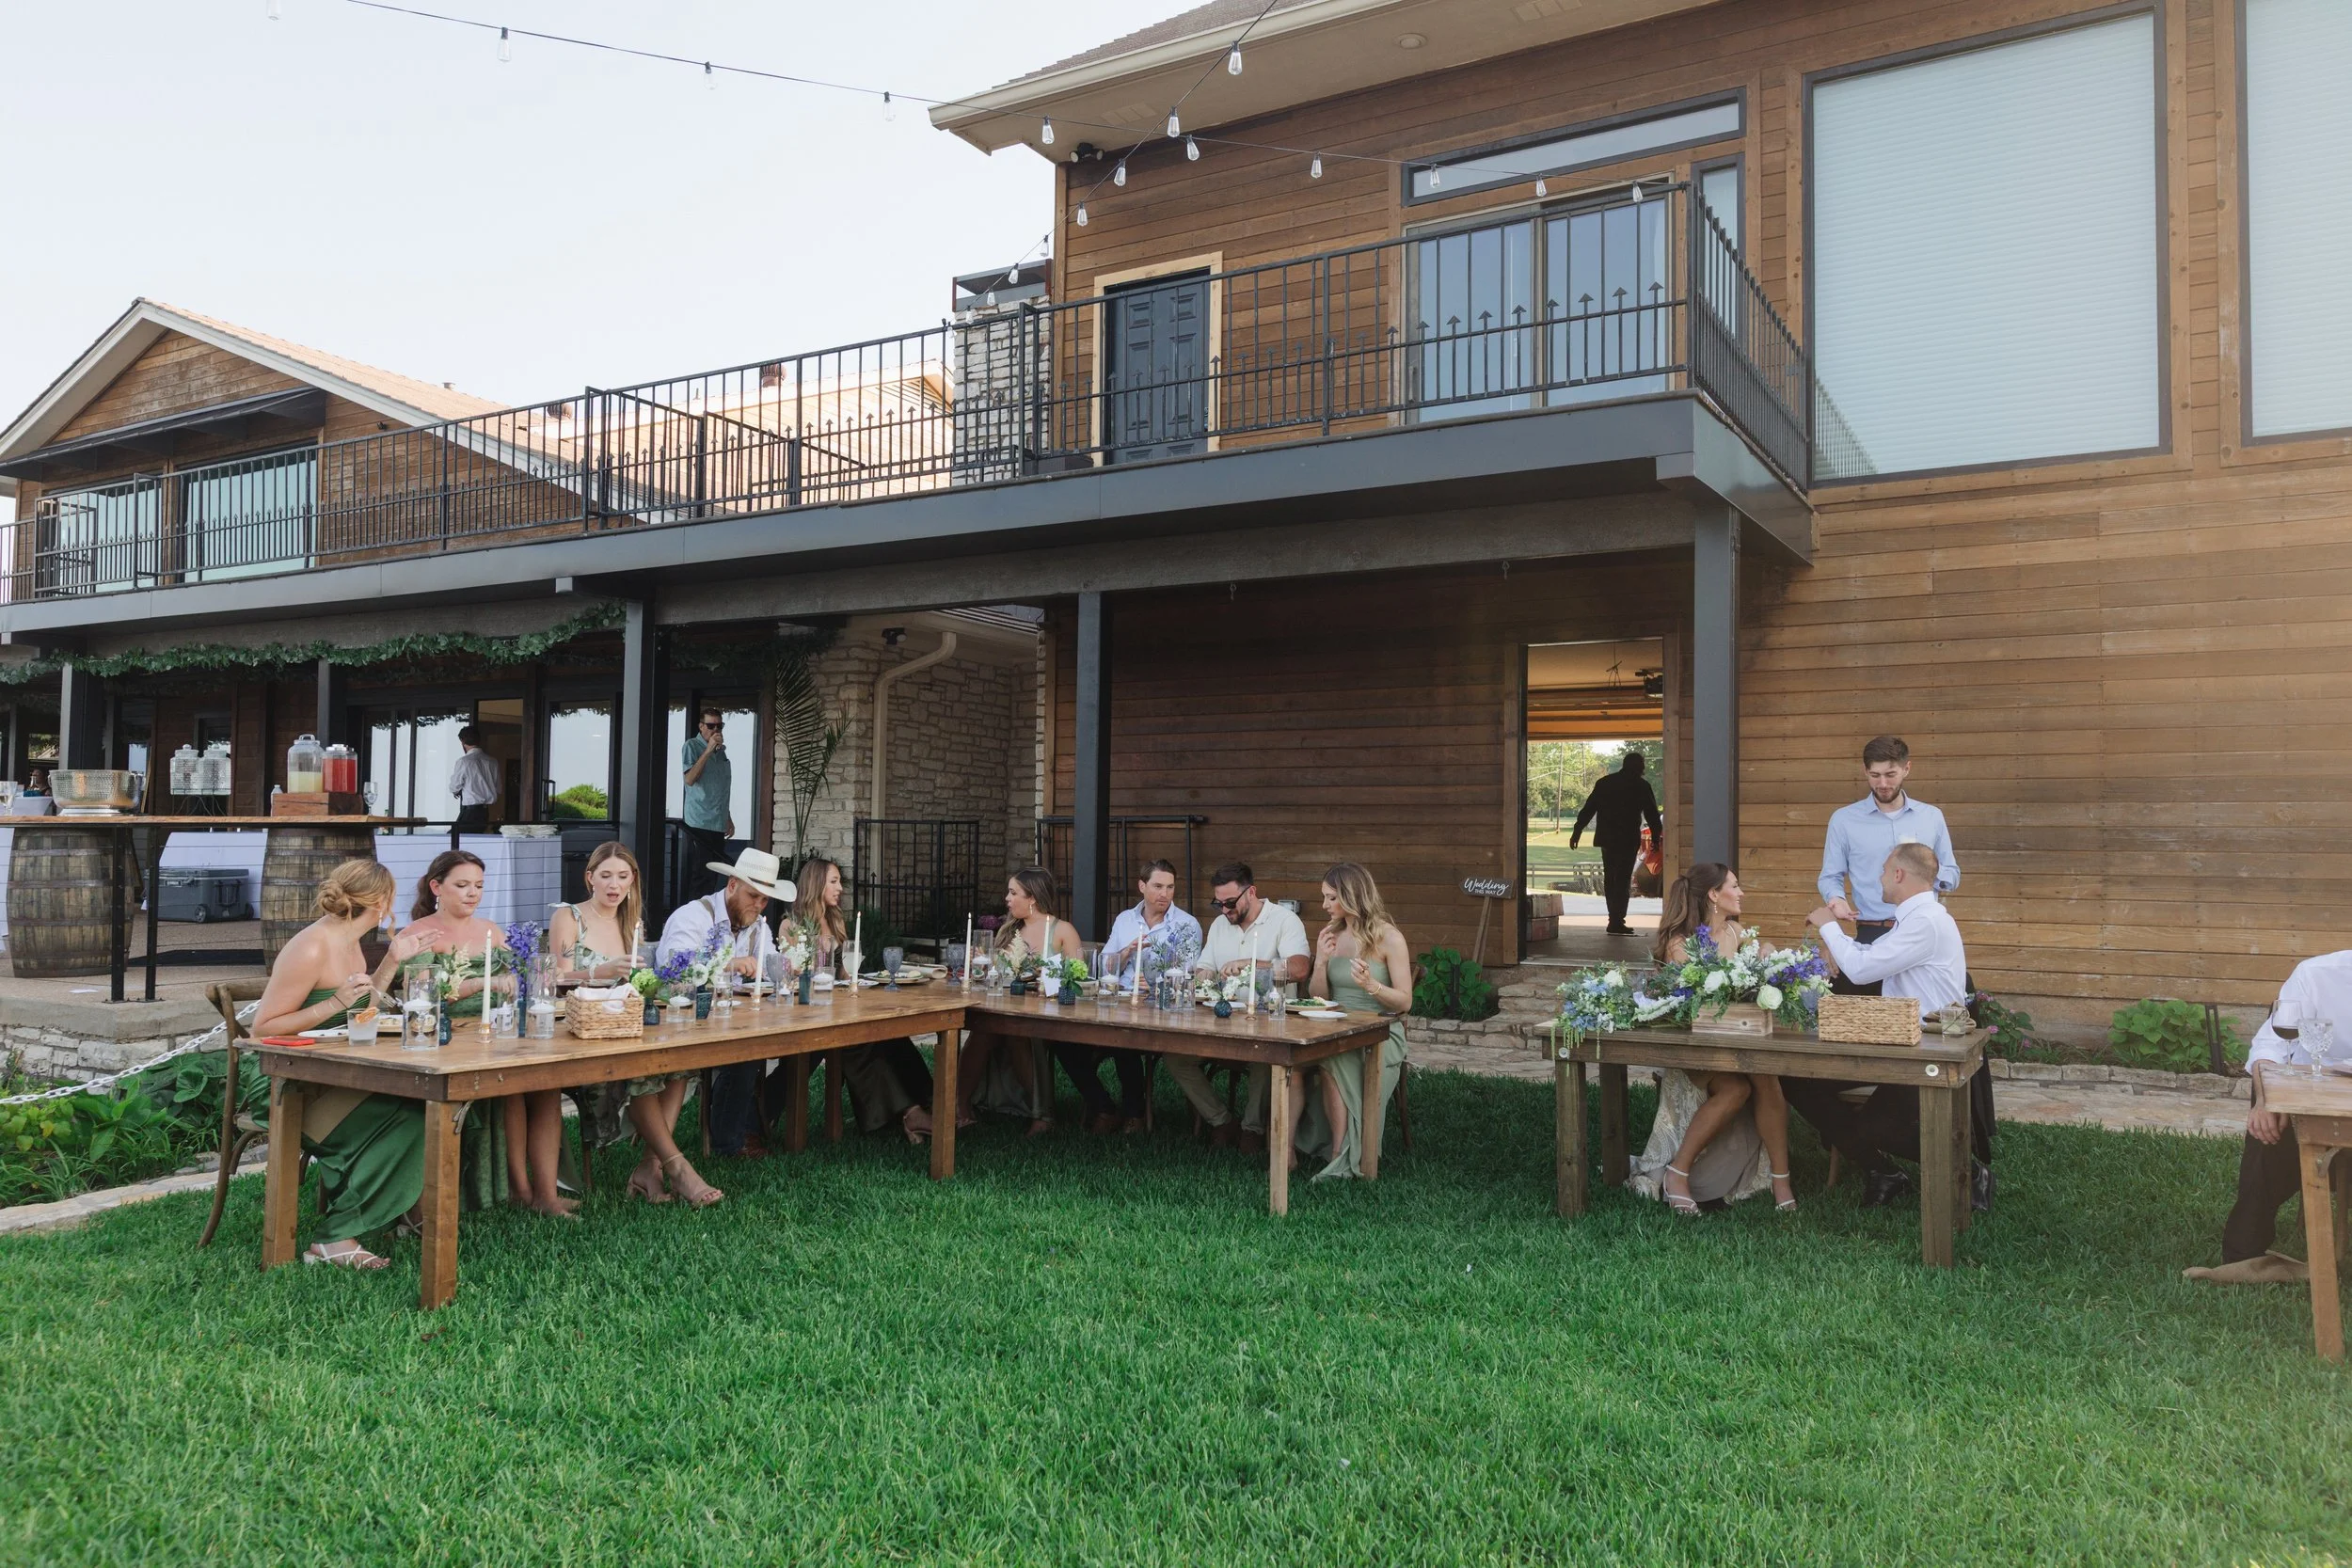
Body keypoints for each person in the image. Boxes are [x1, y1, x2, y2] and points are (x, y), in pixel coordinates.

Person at [251, 858, 430, 1269]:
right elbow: (263, 1028)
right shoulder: (312, 945)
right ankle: (334, 1238)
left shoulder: (351, 944)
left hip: (333, 1070)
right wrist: (334, 1003)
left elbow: (360, 1015)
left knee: (418, 1106)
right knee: (409, 1117)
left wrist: (392, 961)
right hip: (287, 1079)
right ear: (382, 901)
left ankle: (394, 1211)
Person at [1793, 841, 1987, 1211]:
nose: (1879, 878)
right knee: (1799, 1082)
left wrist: (1829, 927)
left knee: (1876, 1127)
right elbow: (1871, 957)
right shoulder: (1913, 918)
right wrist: (1836, 945)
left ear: (1898, 874)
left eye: (1883, 870)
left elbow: (1864, 969)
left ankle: (1969, 1170)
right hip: (1896, 1041)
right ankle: (1881, 1171)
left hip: (1927, 1048)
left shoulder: (1927, 921)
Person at [388, 849, 570, 1217]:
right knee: (515, 1088)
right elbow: (423, 998)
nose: (473, 893)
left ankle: (547, 1193)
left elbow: (521, 976)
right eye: (462, 885)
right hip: (450, 1035)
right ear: (437, 886)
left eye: (479, 886)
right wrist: (480, 984)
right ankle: (519, 1189)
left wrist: (541, 979)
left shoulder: (490, 930)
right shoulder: (419, 934)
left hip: (499, 1029)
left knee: (548, 1085)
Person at [1629, 863, 1793, 1214]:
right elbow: (1691, 1007)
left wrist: (1766, 949)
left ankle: (1781, 1180)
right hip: (1696, 1046)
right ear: (1714, 895)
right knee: (1737, 1088)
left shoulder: (1735, 931)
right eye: (1735, 885)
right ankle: (1677, 1173)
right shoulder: (1680, 944)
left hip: (1736, 1040)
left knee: (1767, 1076)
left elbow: (1759, 954)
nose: (1742, 892)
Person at [2186, 953, 2352, 1285]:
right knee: (2270, 1130)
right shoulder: (2316, 974)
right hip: (2309, 1099)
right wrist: (2265, 1099)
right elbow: (2269, 1045)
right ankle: (2244, 1253)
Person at [656, 846, 788, 1176]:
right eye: (752, 896)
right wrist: (729, 963)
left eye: (764, 900)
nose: (758, 906)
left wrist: (788, 966)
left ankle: (755, 1120)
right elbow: (675, 967)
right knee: (747, 1046)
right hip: (681, 1019)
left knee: (802, 1043)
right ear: (731, 886)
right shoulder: (693, 916)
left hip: (736, 1017)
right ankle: (730, 1141)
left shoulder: (757, 925)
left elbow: (770, 966)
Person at [787, 856, 935, 1143]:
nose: (840, 888)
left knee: (892, 1034)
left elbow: (845, 976)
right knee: (862, 1043)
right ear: (815, 885)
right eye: (834, 881)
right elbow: (794, 979)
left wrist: (851, 966)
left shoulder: (836, 921)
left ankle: (928, 1102)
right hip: (809, 1013)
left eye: (839, 881)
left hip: (840, 1007)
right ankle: (911, 1113)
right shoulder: (790, 928)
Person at [1170, 863, 1311, 1152]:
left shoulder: (1284, 920)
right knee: (1175, 1056)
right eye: (1218, 904)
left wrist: (1250, 965)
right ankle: (1221, 1120)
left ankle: (1253, 1128)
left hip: (1269, 1021)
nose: (1224, 910)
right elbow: (1204, 968)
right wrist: (1201, 978)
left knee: (1262, 1054)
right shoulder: (1221, 925)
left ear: (1251, 892)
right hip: (1222, 1019)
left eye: (1230, 903)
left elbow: (1299, 969)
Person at [1291, 863, 1411, 1180]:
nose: (1324, 905)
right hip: (1337, 1027)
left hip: (1381, 1032)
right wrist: (1322, 962)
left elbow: (1405, 1001)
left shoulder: (1389, 938)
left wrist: (1372, 985)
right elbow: (1319, 997)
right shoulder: (1332, 935)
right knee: (1311, 1055)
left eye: (1331, 898)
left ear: (1351, 896)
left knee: (1334, 1055)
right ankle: (1323, 1149)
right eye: (1324, 897)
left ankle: (1342, 1154)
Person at [1817, 735, 1960, 985]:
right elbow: (1830, 876)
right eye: (1875, 775)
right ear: (1865, 771)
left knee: (1921, 1014)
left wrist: (1922, 876)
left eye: (1890, 774)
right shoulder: (1843, 820)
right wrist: (1836, 899)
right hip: (1871, 930)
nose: (1882, 783)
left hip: (1920, 931)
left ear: (1907, 769)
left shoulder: (1932, 817)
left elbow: (1952, 872)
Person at [548, 842, 658, 1162]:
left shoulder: (631, 923)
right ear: (590, 878)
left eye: (623, 876)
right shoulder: (569, 916)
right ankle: (668, 1163)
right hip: (580, 1030)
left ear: (632, 880)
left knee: (676, 1069)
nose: (614, 885)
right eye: (606, 875)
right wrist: (600, 970)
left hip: (623, 1025)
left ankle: (654, 1162)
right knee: (644, 1071)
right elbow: (558, 978)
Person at [959, 867, 1086, 1135]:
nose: (1007, 898)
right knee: (982, 1030)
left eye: (1013, 892)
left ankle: (1042, 1114)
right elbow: (995, 977)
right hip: (1007, 1009)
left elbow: (1079, 980)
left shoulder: (1062, 931)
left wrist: (1051, 982)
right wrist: (980, 963)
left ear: (1033, 898)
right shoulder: (1009, 931)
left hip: (1048, 1015)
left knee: (1017, 1033)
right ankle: (958, 1105)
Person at [1570, 751, 1665, 935]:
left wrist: (1577, 830)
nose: (1644, 768)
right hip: (1628, 839)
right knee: (1622, 880)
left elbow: (1589, 808)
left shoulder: (1605, 783)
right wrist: (1655, 838)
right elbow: (1652, 814)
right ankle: (1616, 920)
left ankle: (1613, 918)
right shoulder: (1641, 785)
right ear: (1638, 766)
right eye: (1642, 764)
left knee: (1611, 878)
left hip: (1607, 838)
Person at [1101, 859, 1203, 993]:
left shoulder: (1188, 924)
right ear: (1142, 886)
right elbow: (1105, 969)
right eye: (1158, 886)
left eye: (1170, 887)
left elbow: (1189, 975)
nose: (1164, 894)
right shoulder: (1124, 919)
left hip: (1164, 1002)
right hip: (1122, 995)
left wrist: (1158, 985)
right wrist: (1126, 952)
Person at [679, 708, 734, 900]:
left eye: (719, 726)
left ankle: (707, 922)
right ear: (701, 726)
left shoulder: (722, 753)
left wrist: (728, 817)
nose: (716, 730)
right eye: (711, 726)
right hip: (699, 823)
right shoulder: (692, 746)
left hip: (717, 823)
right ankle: (692, 923)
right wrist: (708, 750)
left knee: (712, 877)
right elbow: (690, 779)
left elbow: (719, 788)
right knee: (700, 878)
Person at [448, 725, 501, 834]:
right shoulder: (492, 761)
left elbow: (455, 786)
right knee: (473, 839)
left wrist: (456, 791)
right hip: (485, 811)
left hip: (470, 810)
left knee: (453, 839)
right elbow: (498, 788)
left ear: (462, 742)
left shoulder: (464, 761)